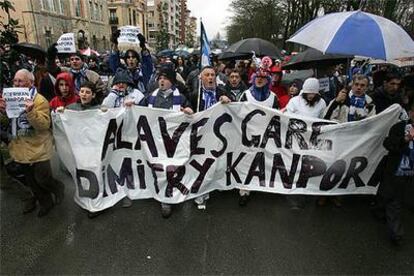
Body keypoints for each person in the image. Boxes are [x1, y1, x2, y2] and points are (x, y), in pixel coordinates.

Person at [1, 69, 64, 217]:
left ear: (30, 82)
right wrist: (2, 112)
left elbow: (43, 125)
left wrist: (30, 112)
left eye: (20, 81)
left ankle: (58, 187)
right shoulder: (8, 99)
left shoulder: (39, 100)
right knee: (31, 181)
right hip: (19, 146)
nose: (16, 84)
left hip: (39, 146)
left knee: (43, 178)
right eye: (15, 81)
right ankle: (45, 202)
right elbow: (6, 123)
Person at [140, 67, 194, 218]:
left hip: (172, 142)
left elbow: (191, 114)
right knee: (157, 167)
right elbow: (139, 110)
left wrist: (189, 112)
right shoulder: (151, 97)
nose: (161, 81)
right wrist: (131, 105)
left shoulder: (181, 98)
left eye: (165, 78)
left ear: (172, 81)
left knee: (170, 169)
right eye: (159, 78)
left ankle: (166, 198)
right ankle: (159, 192)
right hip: (155, 140)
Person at [189, 66, 233, 209]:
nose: (210, 77)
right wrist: (187, 110)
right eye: (206, 75)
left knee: (217, 163)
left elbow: (235, 109)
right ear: (201, 78)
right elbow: (187, 110)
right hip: (201, 136)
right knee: (202, 165)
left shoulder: (222, 92)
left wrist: (228, 100)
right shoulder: (195, 95)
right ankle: (201, 193)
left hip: (219, 135)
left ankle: (214, 185)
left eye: (212, 75)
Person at [371, 104, 414, 246]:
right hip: (397, 171)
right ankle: (396, 233)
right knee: (393, 200)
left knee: (391, 197)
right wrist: (405, 140)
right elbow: (388, 143)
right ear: (410, 113)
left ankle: (379, 211)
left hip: (409, 175)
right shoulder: (399, 127)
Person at [237, 66, 279, 206]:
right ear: (253, 79)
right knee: (246, 161)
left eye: (263, 78)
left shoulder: (273, 98)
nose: (260, 80)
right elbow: (237, 112)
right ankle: (244, 191)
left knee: (263, 161)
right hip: (248, 136)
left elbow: (278, 117)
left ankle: (262, 185)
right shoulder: (245, 95)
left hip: (266, 136)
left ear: (268, 80)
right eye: (258, 77)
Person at [285, 77, 326, 210]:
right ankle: (292, 197)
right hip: (295, 140)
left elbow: (323, 121)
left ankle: (304, 194)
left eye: (313, 93)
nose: (310, 96)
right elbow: (286, 118)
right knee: (294, 167)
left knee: (307, 168)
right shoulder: (294, 101)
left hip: (311, 142)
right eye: (308, 93)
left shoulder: (322, 103)